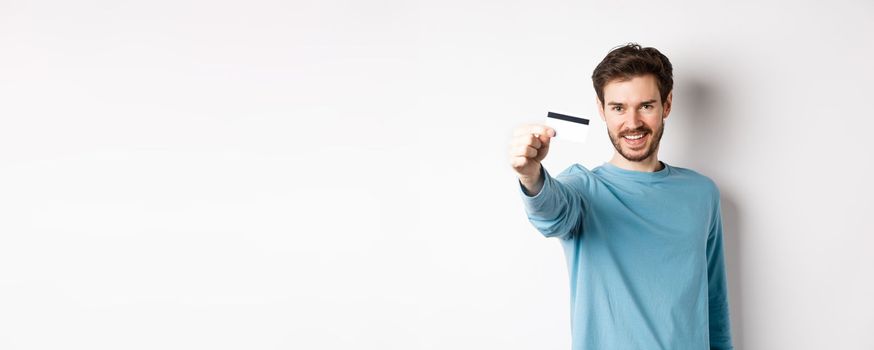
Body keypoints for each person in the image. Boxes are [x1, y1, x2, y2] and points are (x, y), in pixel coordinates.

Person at [509, 43, 733, 350]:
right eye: (618, 108)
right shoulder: (582, 189)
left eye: (646, 106)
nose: (633, 122)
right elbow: (551, 213)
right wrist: (530, 175)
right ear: (602, 110)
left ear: (666, 105)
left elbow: (714, 300)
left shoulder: (702, 193)